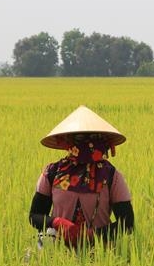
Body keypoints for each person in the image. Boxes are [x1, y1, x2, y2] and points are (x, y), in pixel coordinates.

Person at [29, 105, 134, 249]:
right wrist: (57, 222)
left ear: (102, 141)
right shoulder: (53, 172)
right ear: (69, 140)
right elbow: (35, 216)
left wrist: (92, 235)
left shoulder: (111, 176)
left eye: (93, 137)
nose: (88, 143)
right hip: (56, 249)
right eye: (80, 138)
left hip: (99, 250)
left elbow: (127, 223)